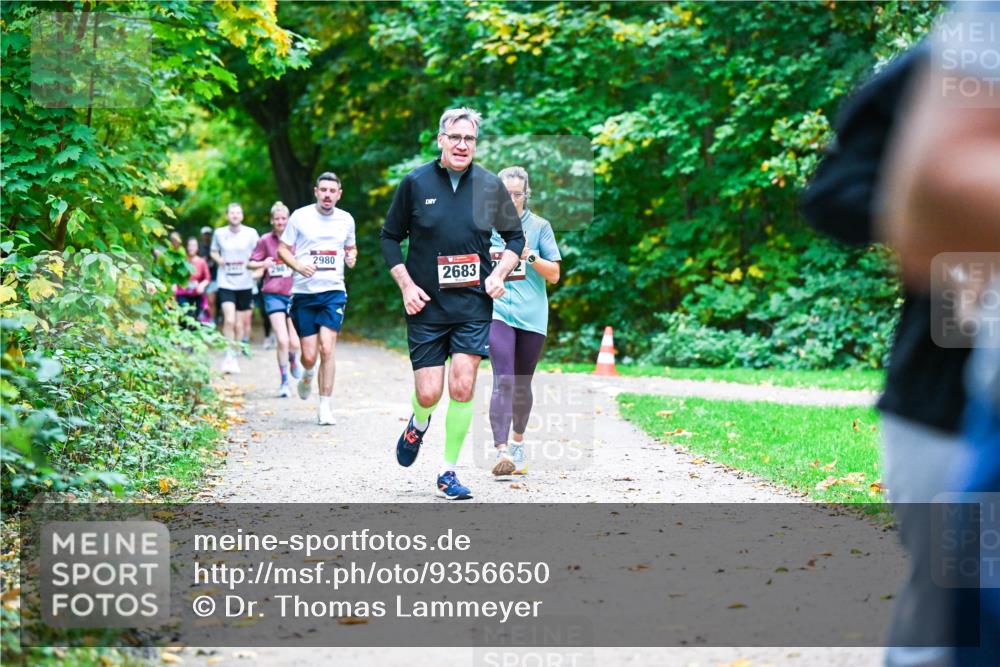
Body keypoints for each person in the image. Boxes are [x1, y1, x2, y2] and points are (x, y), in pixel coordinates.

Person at [380, 107, 524, 500]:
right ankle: (418, 422)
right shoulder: (415, 182)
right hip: (424, 305)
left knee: (462, 386)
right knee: (429, 392)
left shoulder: (490, 186)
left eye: (470, 139)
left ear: (476, 144)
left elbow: (515, 240)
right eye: (455, 137)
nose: (463, 145)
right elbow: (389, 238)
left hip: (472, 305)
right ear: (441, 139)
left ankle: (447, 472)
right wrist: (406, 286)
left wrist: (498, 275)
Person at [488, 166, 561, 477]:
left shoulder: (540, 226)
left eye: (518, 194)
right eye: (507, 194)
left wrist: (528, 256)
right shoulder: (483, 227)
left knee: (521, 383)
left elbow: (555, 275)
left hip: (532, 315)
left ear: (526, 195)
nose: (512, 200)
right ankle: (502, 450)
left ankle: (518, 441)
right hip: (496, 311)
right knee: (503, 378)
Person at [277, 173, 357, 425]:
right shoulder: (300, 217)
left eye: (332, 191)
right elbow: (282, 249)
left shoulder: (346, 219)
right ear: (316, 191)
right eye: (323, 190)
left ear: (339, 194)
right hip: (303, 293)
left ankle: (325, 406)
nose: (327, 195)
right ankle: (308, 372)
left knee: (328, 348)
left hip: (333, 292)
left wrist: (351, 256)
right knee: (309, 355)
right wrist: (298, 266)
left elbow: (350, 247)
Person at [248, 201, 303, 397]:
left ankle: (294, 359)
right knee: (282, 339)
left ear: (288, 220)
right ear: (272, 221)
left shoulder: (296, 238)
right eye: (277, 219)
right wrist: (263, 263)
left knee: (295, 343)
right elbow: (250, 264)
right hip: (273, 294)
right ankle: (284, 382)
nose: (280, 222)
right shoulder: (265, 240)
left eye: (283, 218)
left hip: (295, 293)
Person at [210, 203, 260, 374]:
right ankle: (228, 355)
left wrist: (257, 270)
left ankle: (235, 355)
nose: (235, 215)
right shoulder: (219, 233)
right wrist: (219, 261)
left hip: (245, 283)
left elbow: (258, 254)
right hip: (226, 282)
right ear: (227, 215)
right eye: (232, 213)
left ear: (242, 216)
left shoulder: (251, 233)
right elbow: (214, 252)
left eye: (238, 213)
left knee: (240, 325)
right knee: (229, 320)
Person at [174, 236, 211, 325]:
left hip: (197, 293)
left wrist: (202, 285)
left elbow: (207, 278)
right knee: (185, 315)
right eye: (190, 245)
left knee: (198, 316)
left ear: (197, 248)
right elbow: (175, 276)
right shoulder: (182, 260)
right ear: (186, 247)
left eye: (194, 245)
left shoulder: (201, 261)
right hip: (182, 292)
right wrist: (174, 285)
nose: (191, 248)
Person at [199, 226, 218, 324]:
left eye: (208, 234)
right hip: (201, 279)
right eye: (205, 234)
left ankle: (212, 320)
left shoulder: (214, 248)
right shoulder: (199, 248)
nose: (207, 236)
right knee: (202, 301)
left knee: (211, 301)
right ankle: (203, 319)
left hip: (213, 278)